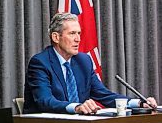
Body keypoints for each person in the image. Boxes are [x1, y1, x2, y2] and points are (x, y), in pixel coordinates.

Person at [24, 12, 158, 114]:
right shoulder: (40, 63)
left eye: (79, 33)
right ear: (56, 37)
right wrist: (77, 107)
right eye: (72, 34)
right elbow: (45, 101)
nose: (78, 39)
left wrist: (139, 103)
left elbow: (103, 94)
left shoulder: (84, 61)